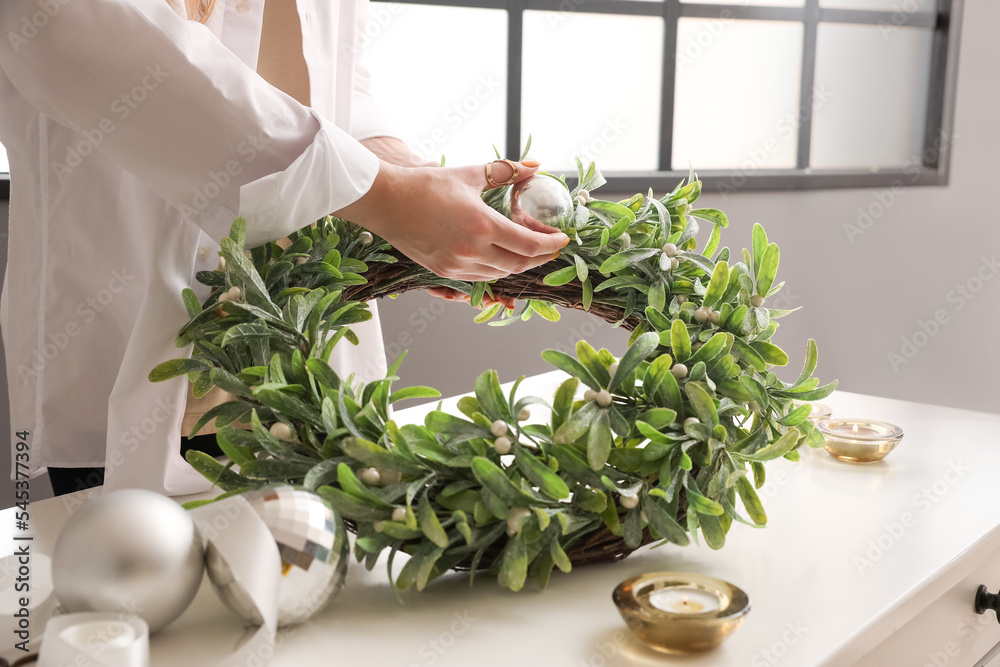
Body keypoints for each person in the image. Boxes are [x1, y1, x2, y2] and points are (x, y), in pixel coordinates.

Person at [0, 0, 569, 497]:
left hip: (308, 347)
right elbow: (72, 28)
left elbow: (337, 72)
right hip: (120, 322)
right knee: (138, 598)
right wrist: (386, 196)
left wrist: (404, 174)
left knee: (322, 587)